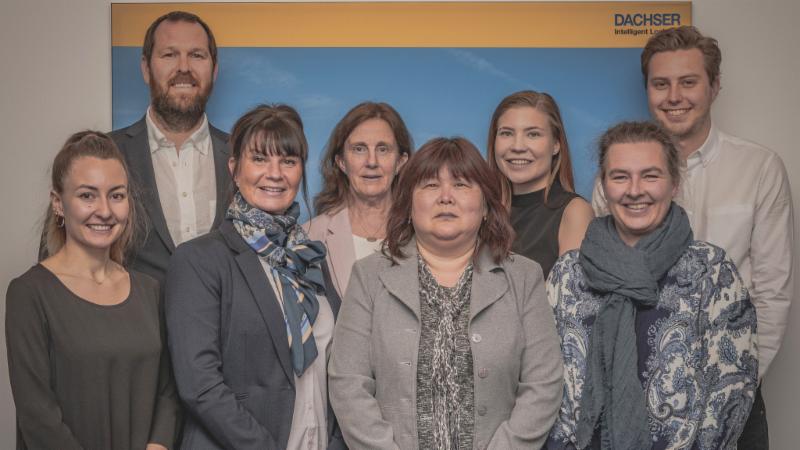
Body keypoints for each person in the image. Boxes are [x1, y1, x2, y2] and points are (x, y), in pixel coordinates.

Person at [591, 26, 793, 448]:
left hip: (735, 384)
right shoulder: (613, 183)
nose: (674, 96)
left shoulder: (759, 169)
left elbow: (773, 292)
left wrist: (737, 384)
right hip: (637, 390)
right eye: (660, 84)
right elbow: (605, 282)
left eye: (689, 82)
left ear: (714, 86)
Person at [330, 137, 563, 449]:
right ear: (408, 204)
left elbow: (543, 385)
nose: (445, 197)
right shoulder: (369, 276)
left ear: (485, 206)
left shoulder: (523, 277)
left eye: (462, 184)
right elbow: (348, 384)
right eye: (429, 185)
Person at [549, 122, 757, 449]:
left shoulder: (712, 271)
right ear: (603, 185)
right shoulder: (567, 274)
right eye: (619, 176)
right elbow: (545, 384)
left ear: (674, 183)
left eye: (650, 175)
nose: (635, 190)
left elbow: (731, 393)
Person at [165, 105, 345, 449]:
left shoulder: (311, 259)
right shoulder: (199, 261)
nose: (274, 173)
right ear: (234, 169)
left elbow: (338, 369)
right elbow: (198, 384)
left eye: (288, 161)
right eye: (260, 159)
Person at [6, 131, 178, 449]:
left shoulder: (150, 291)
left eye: (116, 195)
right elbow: (38, 417)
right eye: (87, 195)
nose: (104, 210)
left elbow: (168, 392)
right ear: (58, 203)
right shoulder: (29, 294)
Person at [110, 11, 231, 282]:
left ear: (214, 68)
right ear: (145, 67)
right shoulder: (105, 153)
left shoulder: (244, 157)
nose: (184, 67)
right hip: (132, 324)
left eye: (197, 55)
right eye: (169, 55)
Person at [305, 102, 413, 297]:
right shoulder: (310, 236)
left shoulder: (423, 234)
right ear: (341, 162)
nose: (372, 162)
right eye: (359, 149)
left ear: (400, 162)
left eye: (383, 149)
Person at [487, 90, 593, 276]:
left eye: (533, 134)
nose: (517, 146)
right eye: (506, 133)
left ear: (556, 145)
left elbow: (567, 299)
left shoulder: (574, 212)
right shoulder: (481, 213)